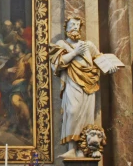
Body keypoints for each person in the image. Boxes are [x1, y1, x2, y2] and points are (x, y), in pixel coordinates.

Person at [50, 17, 119, 157]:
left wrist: (110, 66)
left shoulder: (88, 45)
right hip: (72, 82)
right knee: (72, 111)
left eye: (77, 24)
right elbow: (57, 64)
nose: (74, 27)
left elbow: (99, 58)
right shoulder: (61, 44)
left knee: (87, 115)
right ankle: (71, 148)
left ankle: (84, 149)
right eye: (71, 24)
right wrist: (75, 53)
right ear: (66, 28)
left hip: (89, 83)